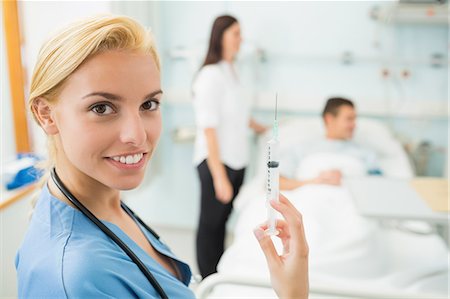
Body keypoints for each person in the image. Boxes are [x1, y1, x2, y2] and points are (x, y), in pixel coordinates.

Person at [15, 15, 308, 299]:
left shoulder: (106, 204)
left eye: (149, 104)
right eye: (102, 108)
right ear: (46, 114)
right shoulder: (77, 278)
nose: (138, 135)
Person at [192, 15, 267, 279]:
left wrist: (263, 129)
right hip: (216, 162)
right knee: (210, 225)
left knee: (222, 222)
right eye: (236, 33)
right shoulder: (210, 75)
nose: (241, 39)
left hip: (237, 159)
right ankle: (208, 280)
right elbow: (209, 128)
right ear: (221, 36)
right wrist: (219, 176)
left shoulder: (231, 70)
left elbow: (238, 114)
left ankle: (218, 274)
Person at [280, 97, 382, 190]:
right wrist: (315, 182)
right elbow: (277, 184)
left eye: (355, 119)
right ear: (329, 119)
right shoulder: (301, 149)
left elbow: (380, 187)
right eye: (349, 119)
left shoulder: (366, 153)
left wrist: (346, 180)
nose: (354, 125)